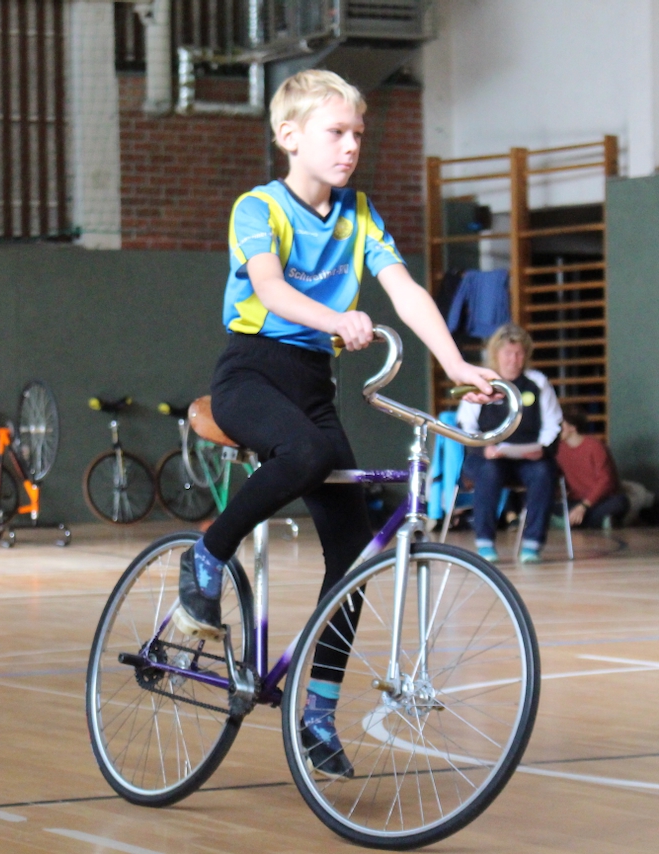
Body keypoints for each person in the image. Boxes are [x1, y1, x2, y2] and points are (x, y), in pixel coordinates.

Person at [173, 70, 501, 779]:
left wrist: (455, 362)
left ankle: (317, 712)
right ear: (289, 136)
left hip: (313, 388)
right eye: (336, 132)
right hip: (251, 375)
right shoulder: (259, 207)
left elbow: (404, 290)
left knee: (352, 555)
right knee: (308, 453)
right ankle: (206, 554)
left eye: (358, 133)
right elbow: (270, 288)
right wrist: (335, 319)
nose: (351, 145)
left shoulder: (359, 214)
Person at [457, 323, 562, 563]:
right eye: (508, 353)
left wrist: (542, 449)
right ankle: (485, 542)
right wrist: (484, 448)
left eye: (519, 354)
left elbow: (553, 424)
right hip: (486, 458)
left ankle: (532, 545)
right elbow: (465, 426)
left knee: (543, 472)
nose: (514, 360)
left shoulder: (537, 383)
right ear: (496, 354)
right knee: (490, 471)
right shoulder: (482, 382)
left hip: (527, 458)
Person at [556, 404, 629, 529]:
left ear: (573, 427)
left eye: (560, 424)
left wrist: (584, 506)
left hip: (601, 500)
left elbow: (605, 481)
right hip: (576, 500)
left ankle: (572, 522)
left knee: (620, 502)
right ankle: (597, 522)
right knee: (547, 506)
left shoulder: (595, 446)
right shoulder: (558, 450)